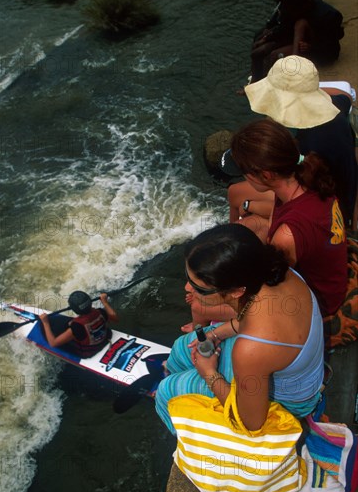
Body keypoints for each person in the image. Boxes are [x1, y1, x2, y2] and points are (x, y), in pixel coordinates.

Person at [155, 223, 324, 434]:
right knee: (182, 347)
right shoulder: (273, 272)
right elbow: (252, 319)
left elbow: (252, 422)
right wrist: (216, 333)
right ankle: (180, 375)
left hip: (288, 404)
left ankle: (191, 437)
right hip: (287, 366)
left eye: (199, 288)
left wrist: (209, 373)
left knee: (166, 392)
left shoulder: (250, 348)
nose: (187, 288)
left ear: (236, 291)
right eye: (188, 278)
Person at [230, 118, 347, 318]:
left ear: (266, 176)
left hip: (319, 304)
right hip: (331, 278)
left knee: (205, 304)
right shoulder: (308, 180)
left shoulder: (287, 234)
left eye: (245, 172)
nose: (243, 177)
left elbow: (272, 287)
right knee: (248, 226)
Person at [228, 56, 357, 229]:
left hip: (333, 204)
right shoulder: (335, 106)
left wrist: (250, 206)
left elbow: (298, 199)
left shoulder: (310, 148)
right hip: (345, 184)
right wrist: (306, 90)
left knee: (238, 198)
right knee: (236, 194)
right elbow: (345, 94)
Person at [39, 291, 119, 358]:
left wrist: (45, 322)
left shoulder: (77, 327)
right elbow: (114, 318)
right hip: (105, 338)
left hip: (90, 350)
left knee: (47, 328)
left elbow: (53, 343)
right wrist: (105, 302)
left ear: (75, 310)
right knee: (68, 324)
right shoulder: (101, 312)